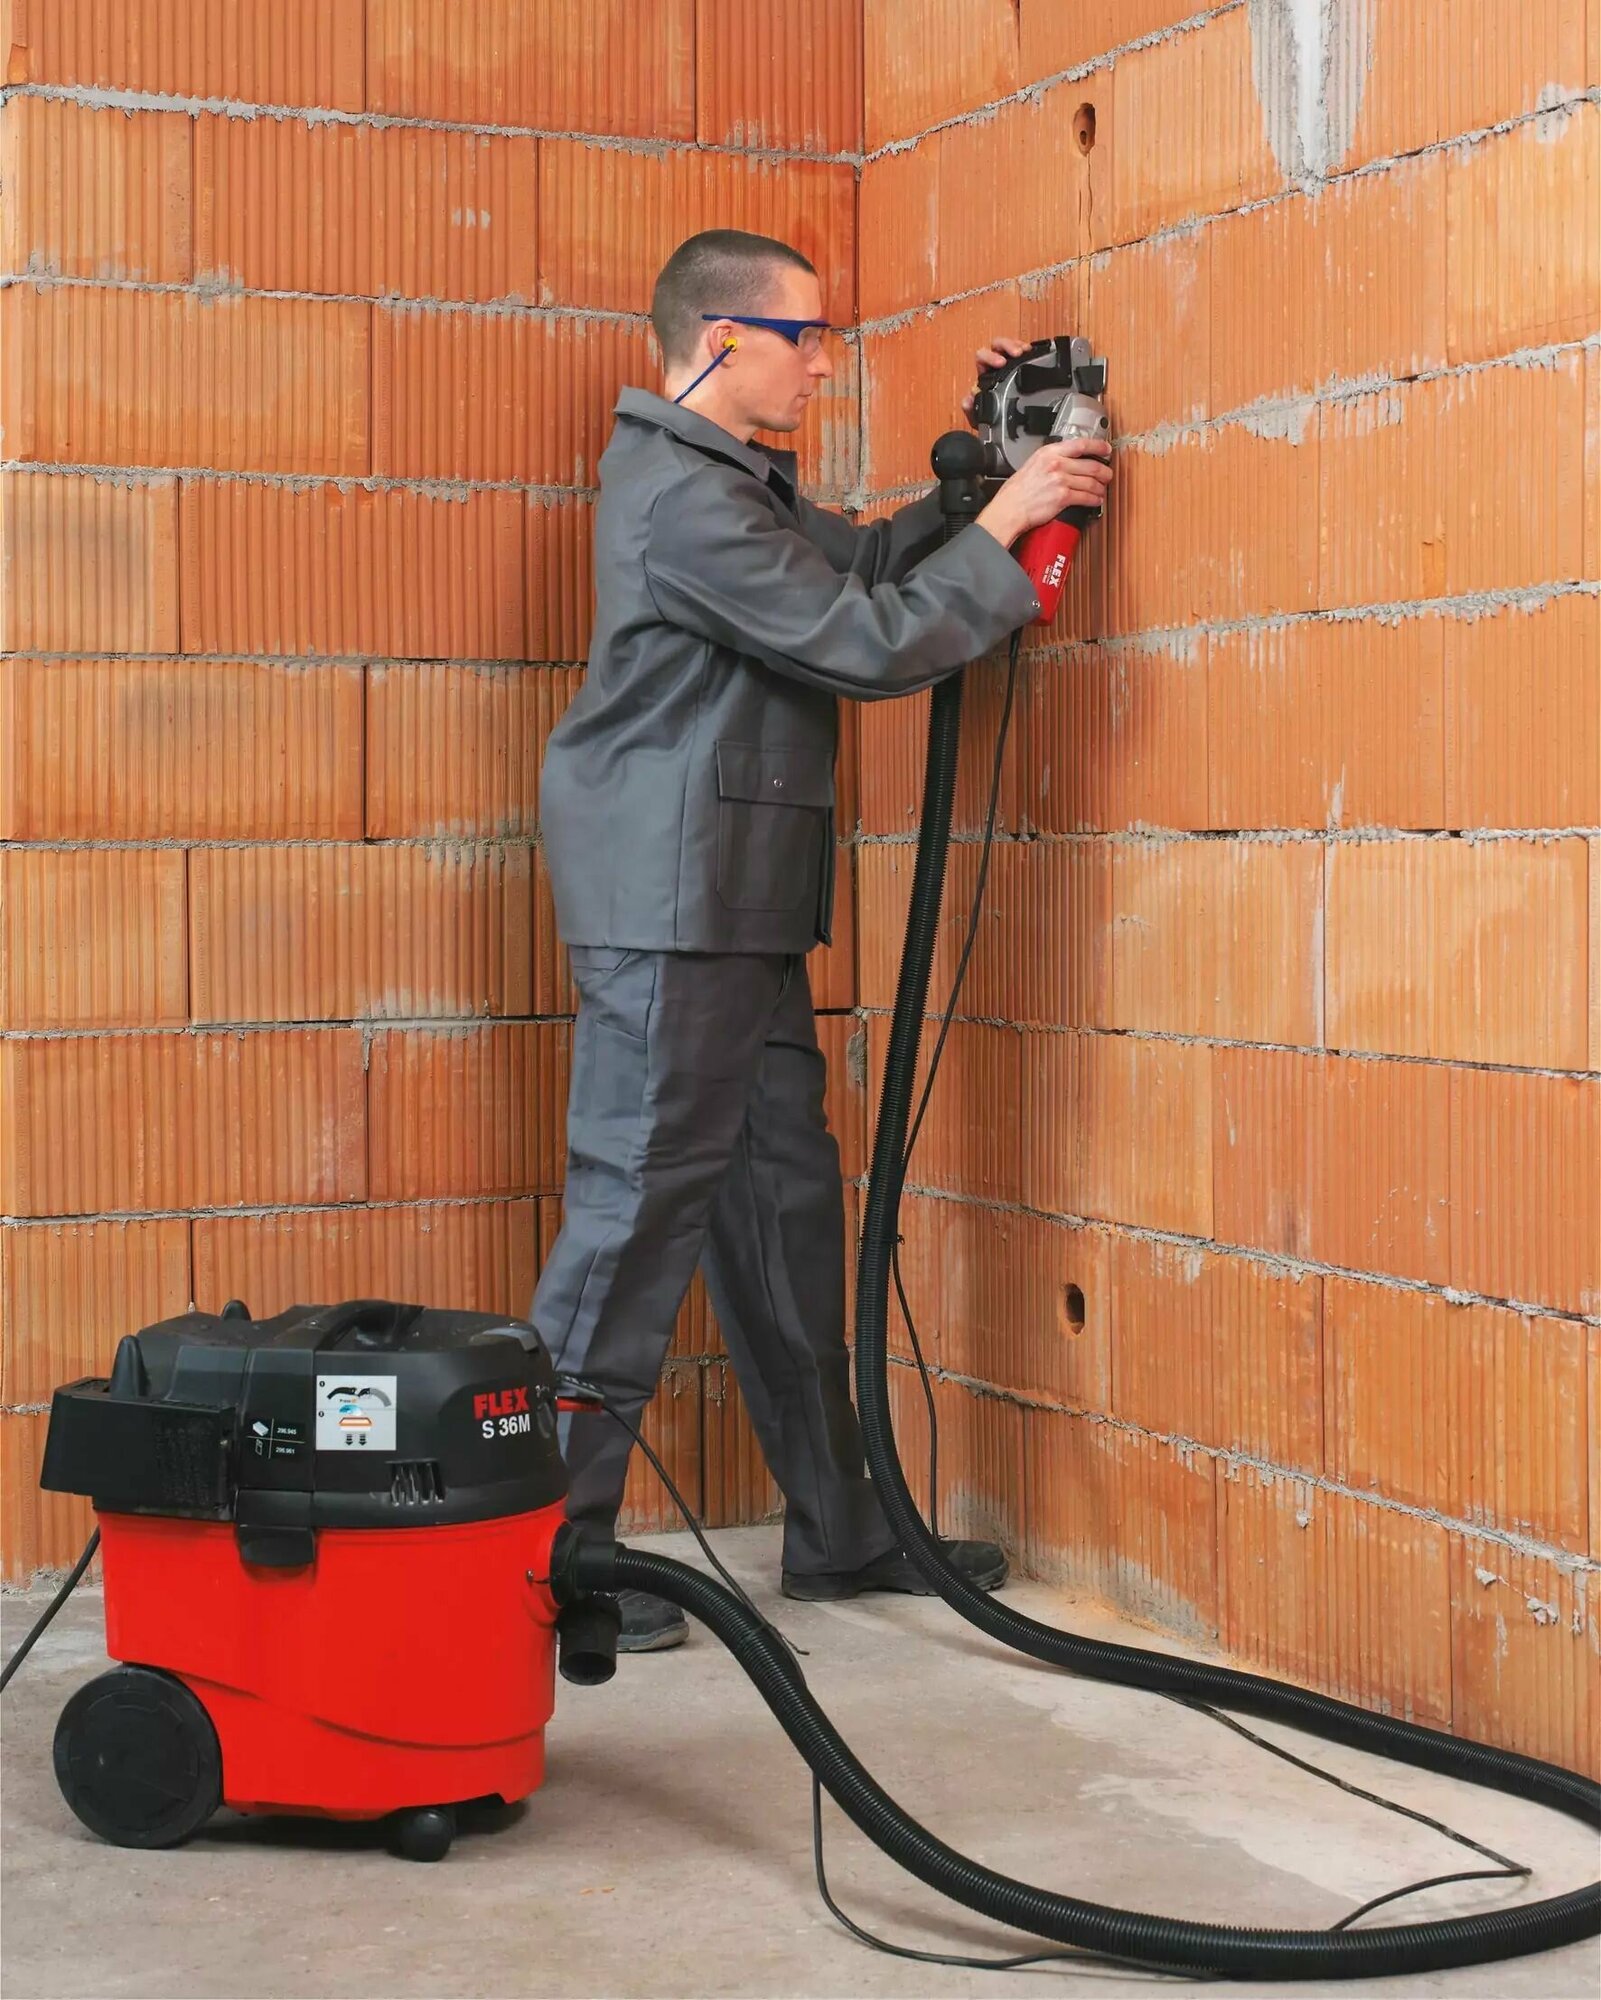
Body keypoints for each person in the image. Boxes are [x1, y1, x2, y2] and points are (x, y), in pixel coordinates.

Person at [534, 229, 1114, 1652]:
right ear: (723, 339)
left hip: (732, 908)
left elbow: (854, 565)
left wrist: (983, 472)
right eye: (804, 338)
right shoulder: (681, 498)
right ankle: (538, 1564)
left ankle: (841, 1531)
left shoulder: (730, 481)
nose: (820, 363)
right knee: (630, 1223)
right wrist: (1005, 521)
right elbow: (861, 641)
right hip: (673, 916)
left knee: (785, 1214)